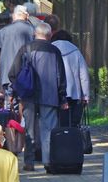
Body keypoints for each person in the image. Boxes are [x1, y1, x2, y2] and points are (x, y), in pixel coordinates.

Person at [9, 22, 68, 172]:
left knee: (29, 129)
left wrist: (16, 92)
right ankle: (48, 162)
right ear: (49, 35)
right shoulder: (55, 51)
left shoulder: (25, 48)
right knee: (49, 129)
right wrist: (62, 97)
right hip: (50, 96)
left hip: (28, 96)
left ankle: (29, 162)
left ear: (35, 33)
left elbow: (13, 73)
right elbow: (61, 76)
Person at [0, 5, 33, 93]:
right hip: (28, 77)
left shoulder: (4, 31)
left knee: (9, 100)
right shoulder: (33, 31)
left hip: (7, 77)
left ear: (14, 16)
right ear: (27, 16)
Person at [51, 30, 90, 127]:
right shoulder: (75, 51)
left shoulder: (50, 49)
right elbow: (83, 74)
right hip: (73, 92)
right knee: (73, 122)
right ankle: (71, 134)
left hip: (54, 92)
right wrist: (85, 95)